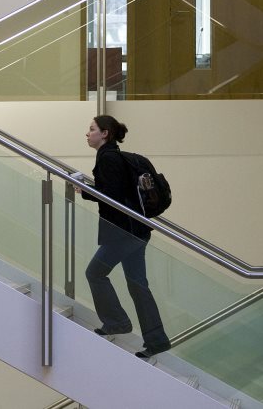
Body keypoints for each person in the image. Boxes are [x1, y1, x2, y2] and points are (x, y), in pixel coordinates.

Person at [77, 115, 171, 359]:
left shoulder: (108, 158)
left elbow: (112, 195)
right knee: (138, 285)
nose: (87, 134)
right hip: (137, 230)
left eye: (91, 130)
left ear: (105, 133)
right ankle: (157, 340)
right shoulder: (115, 156)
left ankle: (117, 322)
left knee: (95, 273)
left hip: (123, 232)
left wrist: (84, 190)